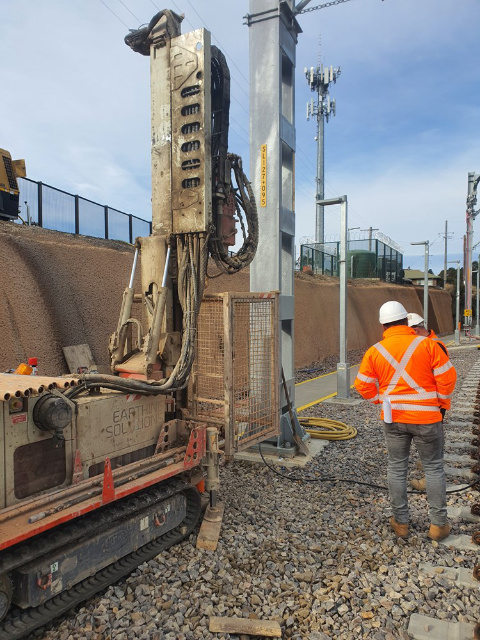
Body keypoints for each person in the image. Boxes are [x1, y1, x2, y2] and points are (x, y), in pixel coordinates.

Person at [354, 300, 457, 541]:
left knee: (397, 468)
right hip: (427, 418)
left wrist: (380, 399)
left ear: (383, 326)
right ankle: (438, 525)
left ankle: (401, 522)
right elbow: (448, 379)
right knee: (433, 468)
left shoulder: (375, 351)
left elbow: (362, 385)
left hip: (394, 419)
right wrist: (439, 402)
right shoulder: (429, 345)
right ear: (406, 322)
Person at [407, 312, 449, 491]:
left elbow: (443, 378)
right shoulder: (432, 342)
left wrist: (439, 404)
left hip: (434, 402)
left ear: (415, 330)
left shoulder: (432, 345)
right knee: (431, 438)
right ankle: (427, 464)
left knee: (432, 440)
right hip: (433, 400)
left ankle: (428, 481)